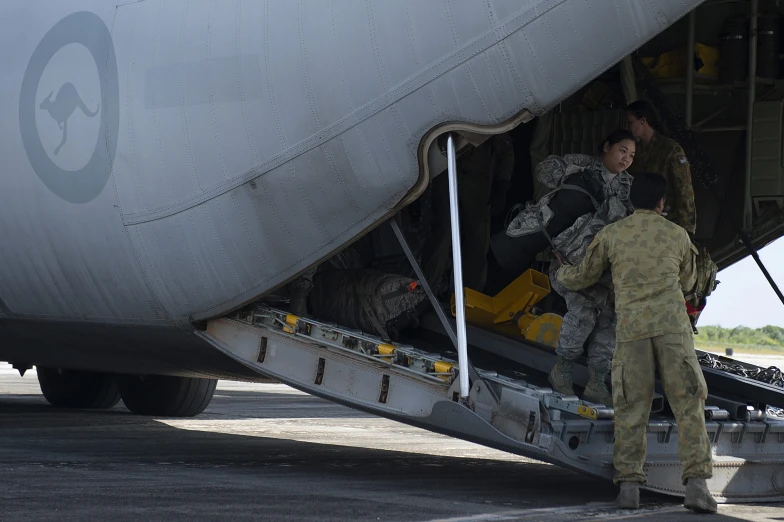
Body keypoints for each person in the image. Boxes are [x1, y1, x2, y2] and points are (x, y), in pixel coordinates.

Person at [556, 173, 716, 514]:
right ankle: (698, 487)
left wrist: (561, 274)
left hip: (632, 331)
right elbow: (688, 282)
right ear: (661, 204)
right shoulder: (677, 235)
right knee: (688, 403)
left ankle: (629, 489)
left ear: (633, 202)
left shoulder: (612, 234)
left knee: (631, 407)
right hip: (673, 329)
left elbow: (584, 275)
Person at [494, 130, 636, 406]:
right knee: (582, 312)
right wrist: (568, 174)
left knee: (610, 319)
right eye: (622, 151)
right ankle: (562, 372)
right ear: (606, 147)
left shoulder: (629, 187)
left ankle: (597, 382)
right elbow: (545, 172)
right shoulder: (581, 165)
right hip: (570, 260)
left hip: (604, 265)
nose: (626, 159)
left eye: (631, 155)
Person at [422, 133, 514, 295]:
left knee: (477, 241)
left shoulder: (487, 116)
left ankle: (471, 296)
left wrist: (502, 184)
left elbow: (506, 151)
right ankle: (427, 291)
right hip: (446, 174)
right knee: (442, 236)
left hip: (477, 182)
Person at [625, 100, 697, 236]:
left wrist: (687, 230)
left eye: (630, 122)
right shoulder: (635, 151)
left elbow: (684, 191)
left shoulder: (671, 150)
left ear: (642, 120)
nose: (628, 127)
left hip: (669, 224)